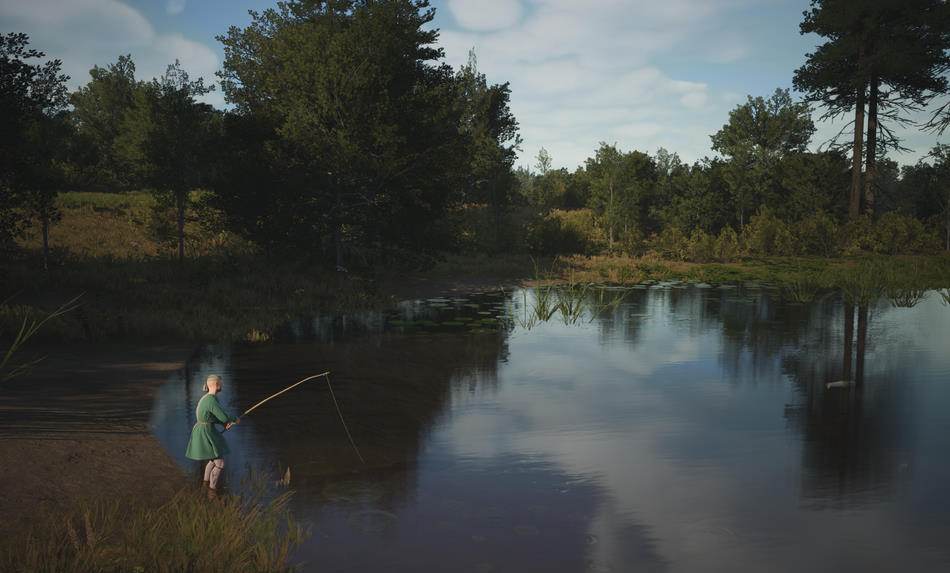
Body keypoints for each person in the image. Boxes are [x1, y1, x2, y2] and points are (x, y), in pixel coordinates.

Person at [185, 374, 239, 499]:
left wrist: (224, 424)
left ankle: (204, 485)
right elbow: (223, 416)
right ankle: (212, 491)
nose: (222, 385)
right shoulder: (211, 400)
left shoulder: (208, 398)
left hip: (206, 429)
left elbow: (213, 417)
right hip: (205, 432)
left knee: (213, 458)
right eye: (220, 383)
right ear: (215, 384)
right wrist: (233, 419)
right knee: (219, 462)